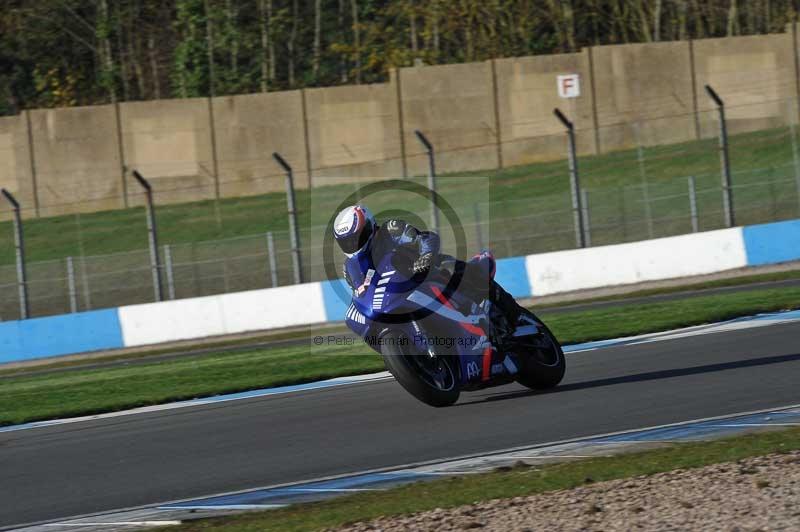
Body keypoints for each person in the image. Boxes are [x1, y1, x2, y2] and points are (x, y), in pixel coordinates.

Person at [332, 204, 523, 326]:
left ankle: (513, 314)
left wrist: (426, 255)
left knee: (449, 268)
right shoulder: (349, 269)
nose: (352, 245)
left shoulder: (391, 230)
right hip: (396, 298)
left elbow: (424, 238)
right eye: (346, 242)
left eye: (357, 238)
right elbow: (361, 295)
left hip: (425, 272)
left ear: (370, 227)